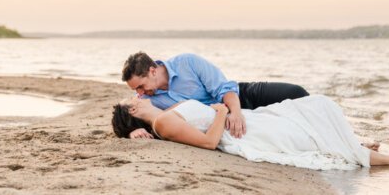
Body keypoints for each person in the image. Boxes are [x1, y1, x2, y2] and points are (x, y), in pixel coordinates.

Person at [111, 95, 389, 170]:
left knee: (312, 109)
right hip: (243, 133)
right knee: (308, 132)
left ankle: (358, 143)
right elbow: (208, 142)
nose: (136, 96)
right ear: (134, 112)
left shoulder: (165, 114)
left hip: (247, 120)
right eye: (130, 100)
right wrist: (222, 111)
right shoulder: (163, 123)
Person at [121, 52, 309, 139]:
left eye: (140, 86)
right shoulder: (147, 100)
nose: (139, 94)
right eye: (135, 90)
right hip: (217, 119)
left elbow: (223, 89)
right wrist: (132, 132)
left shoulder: (187, 63)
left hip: (239, 97)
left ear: (153, 71)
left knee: (297, 94)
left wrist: (235, 112)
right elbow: (127, 119)